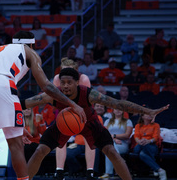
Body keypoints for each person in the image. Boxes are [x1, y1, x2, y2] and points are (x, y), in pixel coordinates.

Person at [0, 31, 86, 180]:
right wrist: (73, 104)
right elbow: (46, 86)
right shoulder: (30, 52)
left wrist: (16, 125)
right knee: (16, 145)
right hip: (3, 83)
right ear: (31, 44)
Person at [22, 67, 169, 180]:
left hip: (89, 124)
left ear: (77, 83)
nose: (65, 86)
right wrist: (1, 109)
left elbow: (118, 103)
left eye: (69, 82)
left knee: (112, 151)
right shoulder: (54, 94)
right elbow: (26, 103)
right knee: (40, 150)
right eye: (63, 82)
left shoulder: (88, 93)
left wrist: (148, 111)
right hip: (63, 123)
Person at [52, 58, 96, 180]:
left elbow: (87, 101)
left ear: (76, 72)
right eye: (64, 72)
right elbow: (58, 100)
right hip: (64, 110)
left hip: (83, 110)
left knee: (89, 138)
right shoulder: (57, 79)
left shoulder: (84, 79)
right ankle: (59, 172)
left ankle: (90, 172)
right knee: (60, 138)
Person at [99, 109, 133, 179]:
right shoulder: (107, 121)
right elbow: (105, 134)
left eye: (120, 109)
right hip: (111, 143)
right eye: (116, 109)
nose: (118, 110)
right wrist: (114, 139)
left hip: (122, 144)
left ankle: (108, 173)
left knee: (109, 149)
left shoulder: (128, 121)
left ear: (123, 111)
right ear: (113, 111)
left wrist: (114, 136)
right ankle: (120, 160)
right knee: (110, 149)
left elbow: (127, 135)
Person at [133, 112, 167, 180]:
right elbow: (136, 136)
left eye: (151, 114)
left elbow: (156, 137)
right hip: (139, 145)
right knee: (141, 148)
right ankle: (155, 169)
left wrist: (148, 141)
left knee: (142, 154)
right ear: (142, 116)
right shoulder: (138, 125)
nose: (150, 115)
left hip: (152, 145)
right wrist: (139, 141)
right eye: (148, 114)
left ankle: (159, 170)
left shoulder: (156, 125)